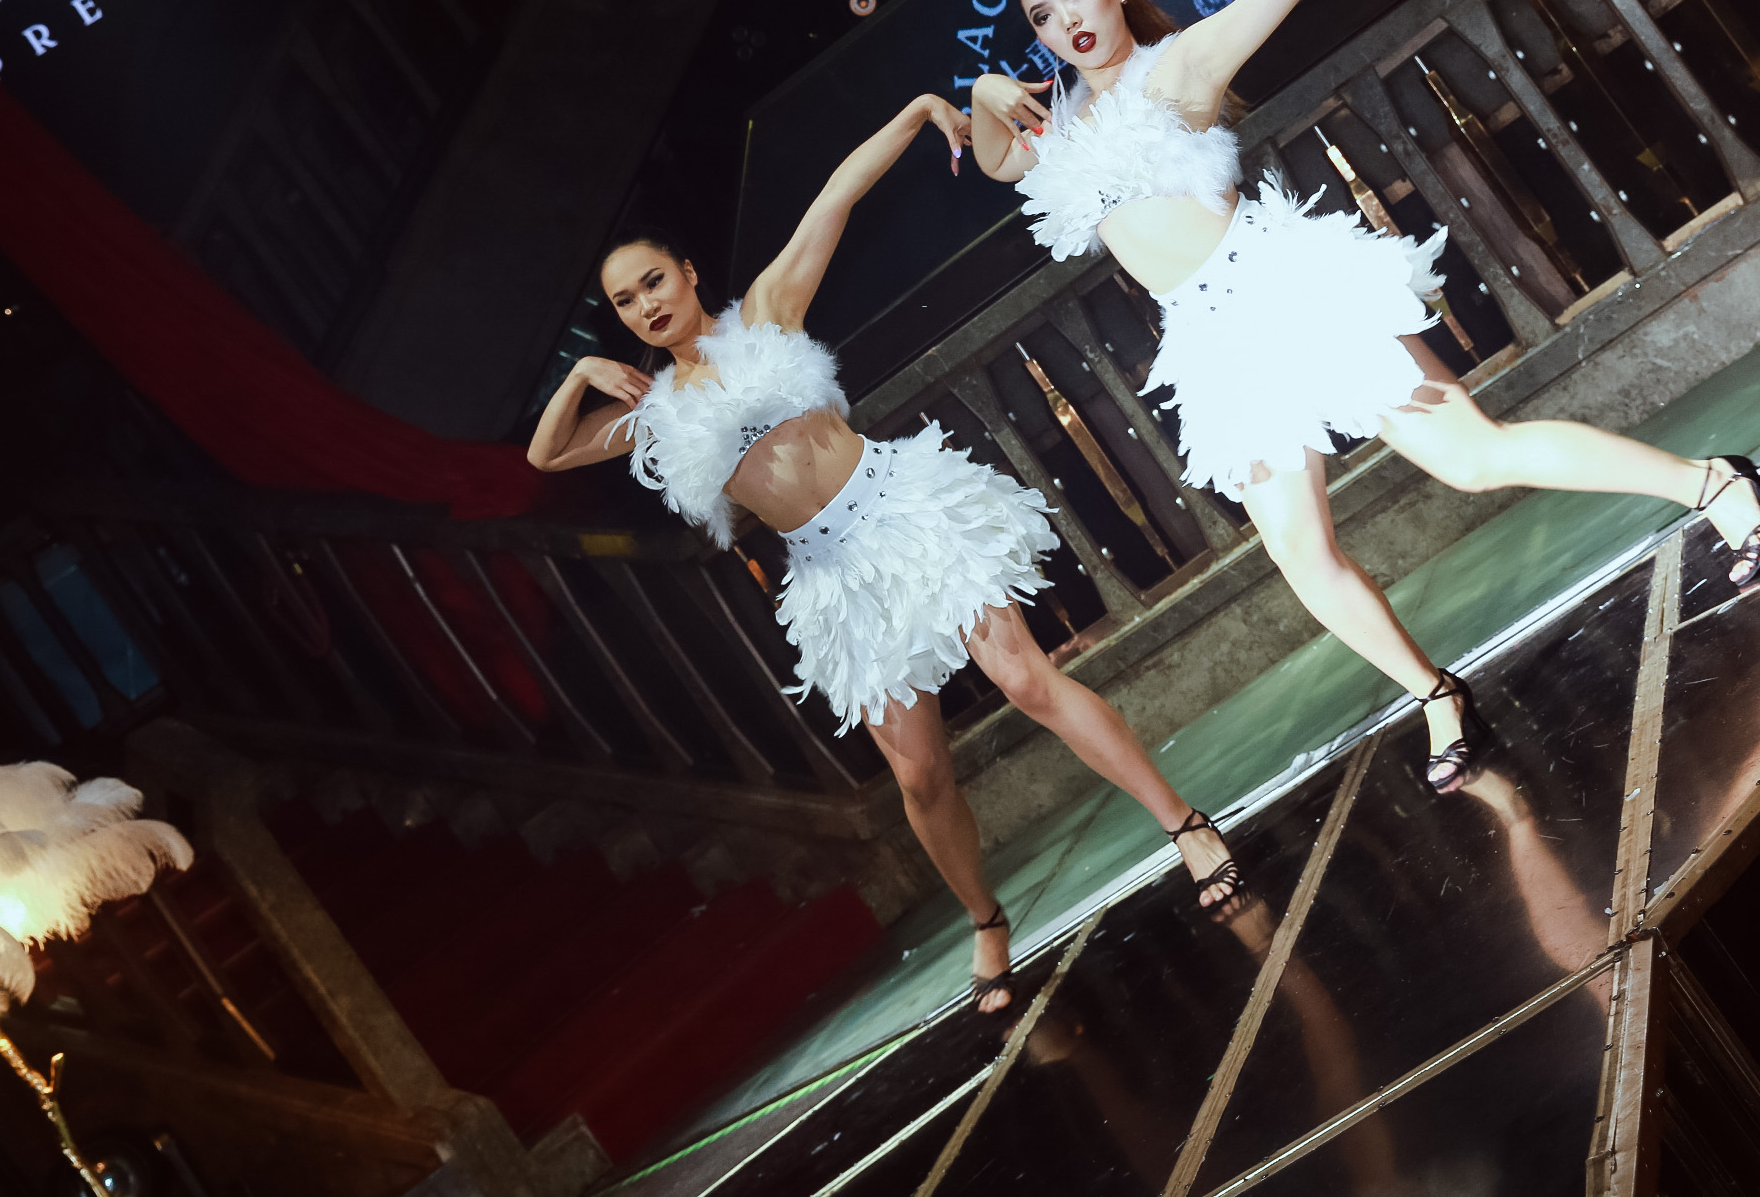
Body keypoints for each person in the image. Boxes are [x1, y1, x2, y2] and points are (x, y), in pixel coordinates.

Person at [966, 0, 1760, 793]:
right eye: (1043, 16)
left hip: (1283, 290)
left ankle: (1713, 483)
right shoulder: (1064, 122)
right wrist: (983, 94)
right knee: (1300, 553)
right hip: (1212, 342)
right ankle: (1436, 694)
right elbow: (996, 161)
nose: (1066, 20)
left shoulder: (1182, 65)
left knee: (1472, 458)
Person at [528, 93, 1241, 1013]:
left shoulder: (767, 312)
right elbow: (548, 455)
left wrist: (917, 113)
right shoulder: (651, 411)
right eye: (626, 302)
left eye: (653, 282)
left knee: (1026, 681)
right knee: (918, 774)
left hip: (903, 509)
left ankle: (1185, 825)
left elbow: (838, 193)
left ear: (688, 273)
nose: (645, 307)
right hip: (831, 578)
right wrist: (582, 375)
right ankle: (986, 919)